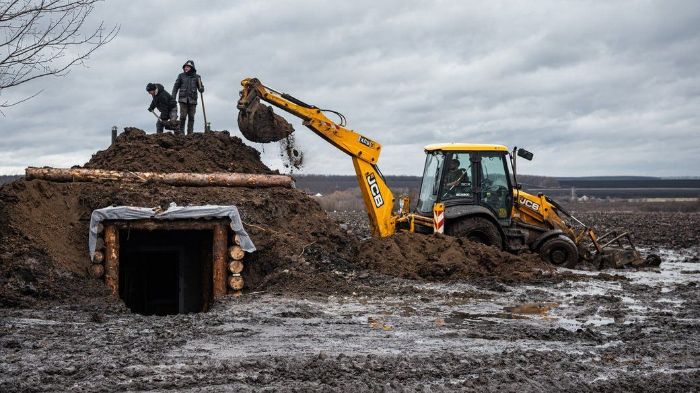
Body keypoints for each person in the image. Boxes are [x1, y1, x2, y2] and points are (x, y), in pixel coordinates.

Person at [172, 60, 204, 135]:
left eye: (188, 67)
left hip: (193, 100)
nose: (186, 68)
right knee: (182, 116)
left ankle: (190, 133)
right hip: (183, 99)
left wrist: (201, 89)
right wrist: (173, 97)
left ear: (192, 68)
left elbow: (201, 88)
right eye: (185, 67)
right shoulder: (181, 76)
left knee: (191, 117)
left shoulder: (197, 77)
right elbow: (175, 87)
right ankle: (181, 132)